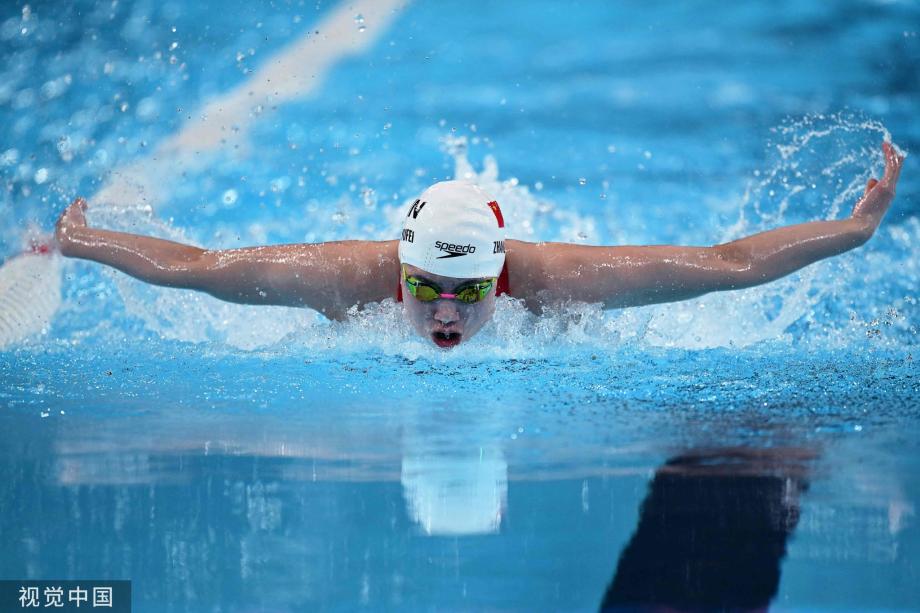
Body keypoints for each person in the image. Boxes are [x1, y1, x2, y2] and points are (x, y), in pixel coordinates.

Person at [55, 142, 904, 349]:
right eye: (431, 288)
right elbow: (196, 269)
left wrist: (857, 229)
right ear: (402, 269)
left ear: (502, 270)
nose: (452, 311)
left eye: (473, 290)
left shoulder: (556, 283)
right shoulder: (345, 280)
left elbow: (727, 265)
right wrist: (83, 243)